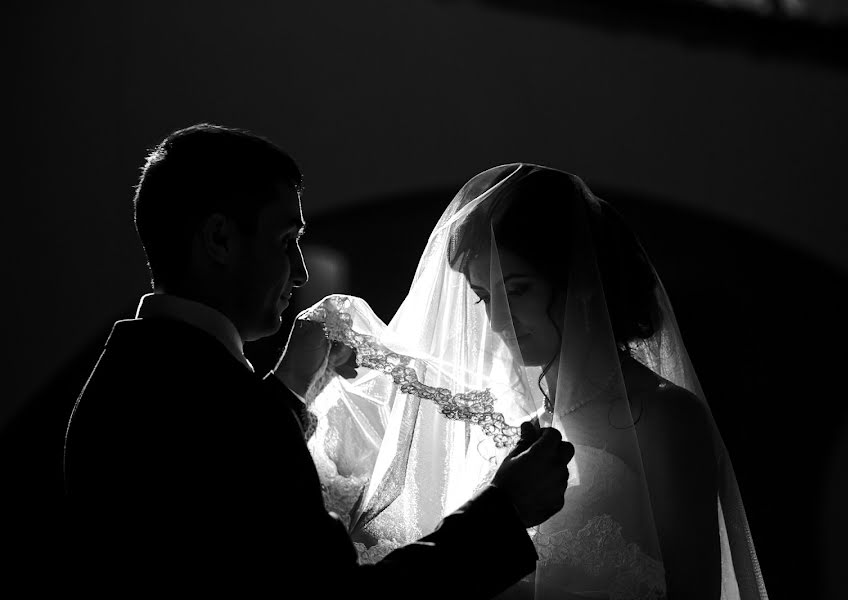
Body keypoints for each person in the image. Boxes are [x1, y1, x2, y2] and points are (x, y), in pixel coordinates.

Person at [62, 126, 574, 598]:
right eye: (287, 241)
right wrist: (504, 513)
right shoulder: (218, 407)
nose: (302, 271)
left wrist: (291, 389)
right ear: (219, 239)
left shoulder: (131, 375)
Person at [299, 164, 768, 599]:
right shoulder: (506, 416)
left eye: (517, 290)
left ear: (579, 280)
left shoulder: (664, 415)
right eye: (485, 297)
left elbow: (694, 591)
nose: (500, 319)